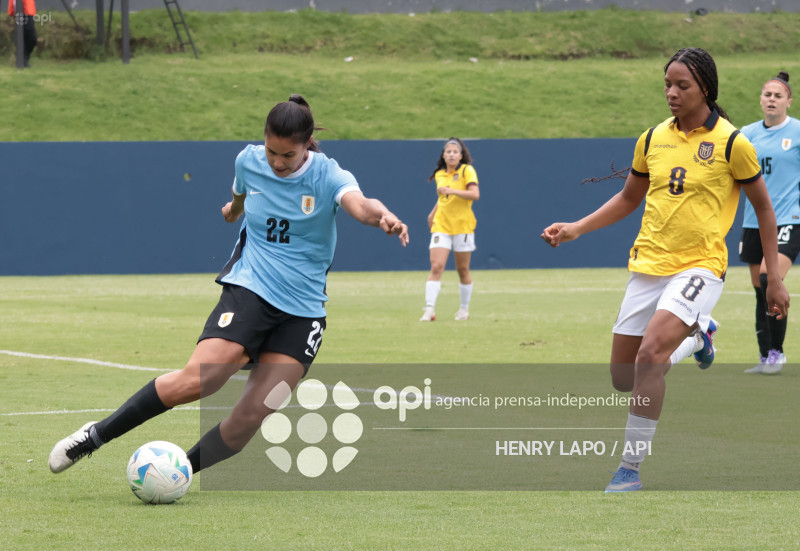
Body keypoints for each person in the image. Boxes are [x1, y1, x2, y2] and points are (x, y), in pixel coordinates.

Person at [48, 94, 409, 477]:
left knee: (248, 420)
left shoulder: (329, 175)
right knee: (202, 380)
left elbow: (360, 203)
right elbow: (240, 193)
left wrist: (382, 217)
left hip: (303, 313)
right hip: (251, 288)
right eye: (272, 151)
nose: (277, 162)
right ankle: (93, 437)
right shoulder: (249, 161)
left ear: (306, 147)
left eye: (288, 155)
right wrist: (233, 210)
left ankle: (176, 472)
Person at [541, 48, 790, 492]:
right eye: (667, 85)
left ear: (706, 90)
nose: (672, 94)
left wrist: (773, 278)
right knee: (624, 378)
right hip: (648, 264)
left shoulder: (734, 143)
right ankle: (699, 335)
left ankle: (629, 469)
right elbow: (628, 198)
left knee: (651, 355)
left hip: (700, 266)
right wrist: (577, 228)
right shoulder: (653, 138)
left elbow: (765, 210)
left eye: (682, 86)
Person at [739, 71, 800, 375]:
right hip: (753, 222)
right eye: (767, 94)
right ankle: (765, 357)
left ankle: (778, 353)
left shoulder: (798, 133)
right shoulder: (747, 134)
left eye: (778, 95)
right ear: (761, 99)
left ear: (789, 100)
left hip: (788, 218)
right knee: (758, 290)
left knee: (768, 278)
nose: (772, 99)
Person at [420, 137, 480, 321]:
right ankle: (429, 309)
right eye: (448, 152)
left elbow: (474, 194)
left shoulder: (466, 170)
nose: (452, 154)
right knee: (436, 266)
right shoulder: (440, 174)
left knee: (462, 269)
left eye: (455, 152)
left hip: (463, 226)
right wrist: (432, 213)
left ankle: (464, 309)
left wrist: (453, 191)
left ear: (461, 155)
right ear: (443, 155)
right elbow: (443, 198)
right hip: (442, 224)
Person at [8, 0, 37, 68]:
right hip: (19, 11)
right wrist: (12, 11)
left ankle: (24, 57)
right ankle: (22, 60)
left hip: (29, 12)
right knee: (21, 38)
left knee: (32, 38)